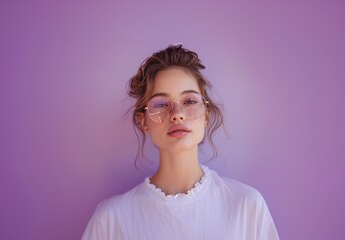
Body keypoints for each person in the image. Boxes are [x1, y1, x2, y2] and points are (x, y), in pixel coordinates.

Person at [81, 45, 279, 240]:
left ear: (206, 115)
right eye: (160, 104)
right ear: (144, 121)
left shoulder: (247, 205)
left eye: (190, 101)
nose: (177, 115)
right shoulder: (110, 219)